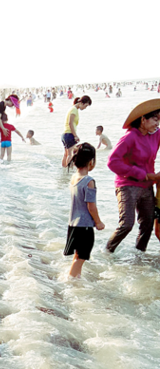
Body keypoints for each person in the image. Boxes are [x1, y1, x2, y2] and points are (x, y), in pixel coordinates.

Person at [106, 100, 160, 253]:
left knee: (148, 225)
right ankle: (107, 252)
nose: (158, 124)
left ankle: (139, 257)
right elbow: (112, 162)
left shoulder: (156, 134)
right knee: (127, 224)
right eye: (155, 119)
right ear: (143, 119)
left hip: (147, 186)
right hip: (127, 185)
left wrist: (151, 178)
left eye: (159, 120)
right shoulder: (130, 137)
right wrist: (143, 175)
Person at [64, 143, 105, 277]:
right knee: (81, 258)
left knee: (77, 256)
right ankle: (72, 282)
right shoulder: (88, 181)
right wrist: (98, 222)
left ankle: (75, 279)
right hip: (85, 226)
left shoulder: (74, 178)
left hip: (73, 224)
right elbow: (91, 206)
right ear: (91, 161)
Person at [61, 95, 92, 167]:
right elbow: (70, 123)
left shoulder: (72, 109)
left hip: (65, 134)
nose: (85, 108)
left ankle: (64, 172)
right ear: (82, 103)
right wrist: (75, 135)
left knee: (66, 154)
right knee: (70, 154)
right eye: (86, 106)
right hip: (69, 134)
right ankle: (69, 172)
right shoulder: (74, 109)